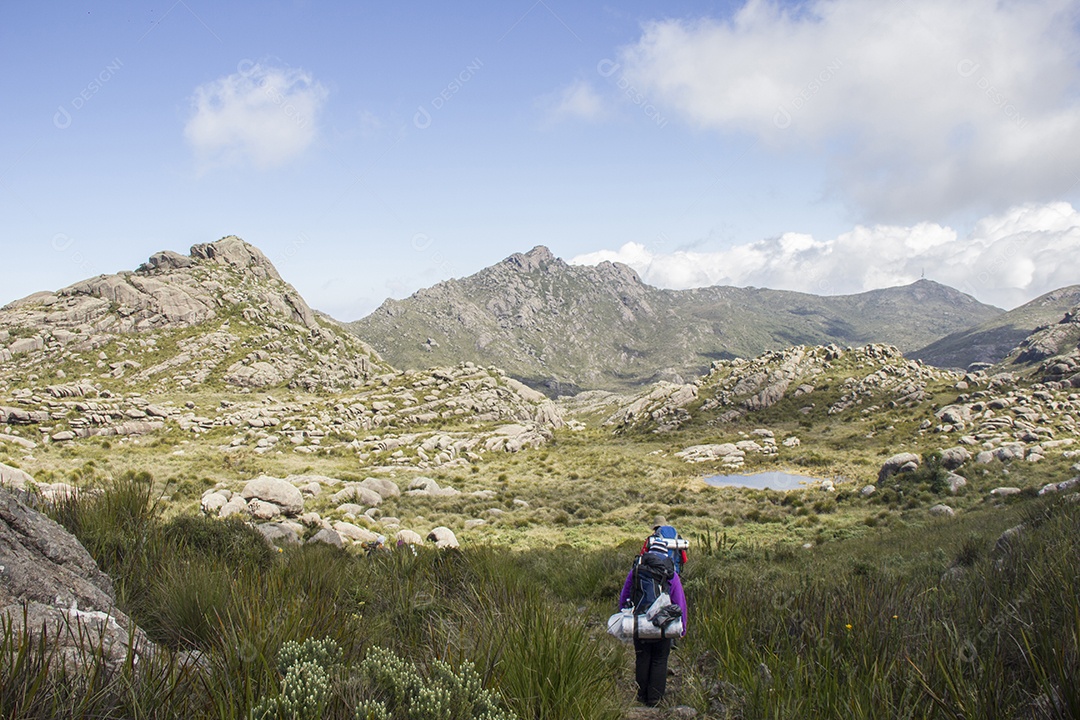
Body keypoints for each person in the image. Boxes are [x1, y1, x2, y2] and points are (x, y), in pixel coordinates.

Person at [618, 535, 687, 706]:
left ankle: (641, 696)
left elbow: (625, 596)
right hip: (663, 624)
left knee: (642, 657)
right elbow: (679, 601)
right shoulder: (671, 574)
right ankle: (655, 698)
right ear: (666, 555)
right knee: (660, 659)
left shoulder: (636, 571)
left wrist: (622, 615)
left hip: (640, 622)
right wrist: (682, 626)